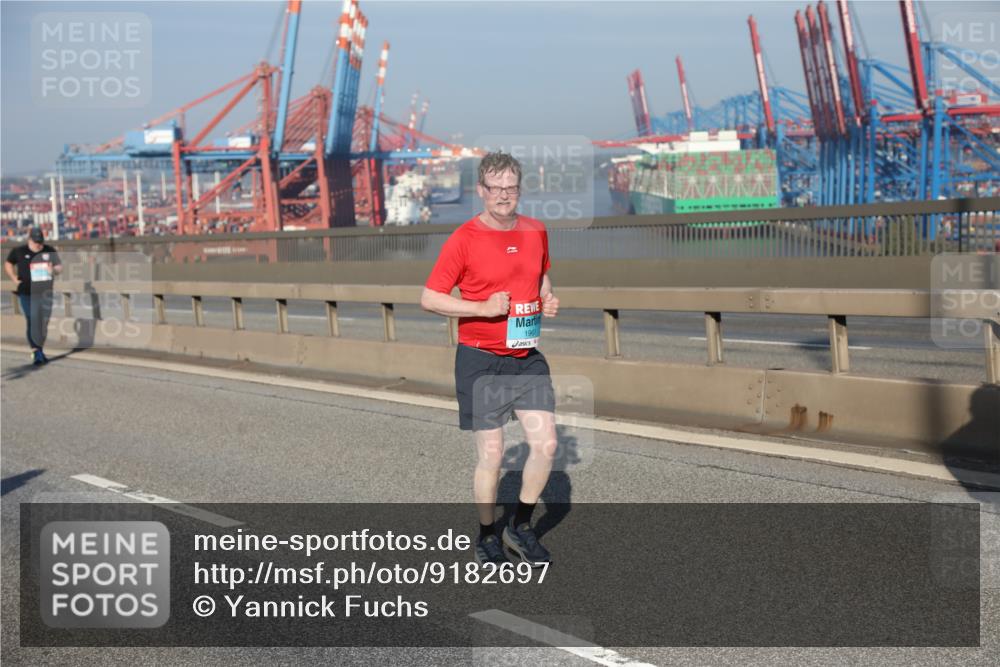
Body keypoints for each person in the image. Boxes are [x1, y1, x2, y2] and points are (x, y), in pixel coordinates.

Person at [421, 152, 560, 567]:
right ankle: (487, 536)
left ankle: (519, 526)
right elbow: (428, 298)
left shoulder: (536, 230)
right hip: (480, 360)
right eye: (495, 188)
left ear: (519, 189)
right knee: (493, 455)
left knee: (547, 444)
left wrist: (547, 298)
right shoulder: (464, 239)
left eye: (510, 187)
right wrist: (481, 309)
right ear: (481, 190)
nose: (503, 195)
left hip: (526, 356)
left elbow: (539, 276)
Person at [5, 227, 62, 365]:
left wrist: (53, 270)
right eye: (36, 241)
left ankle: (40, 349)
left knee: (43, 322)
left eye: (40, 241)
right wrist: (13, 278)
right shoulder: (19, 251)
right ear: (29, 239)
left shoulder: (49, 250)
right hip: (26, 292)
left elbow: (59, 267)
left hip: (45, 292)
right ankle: (36, 351)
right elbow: (8, 264)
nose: (38, 244)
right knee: (32, 318)